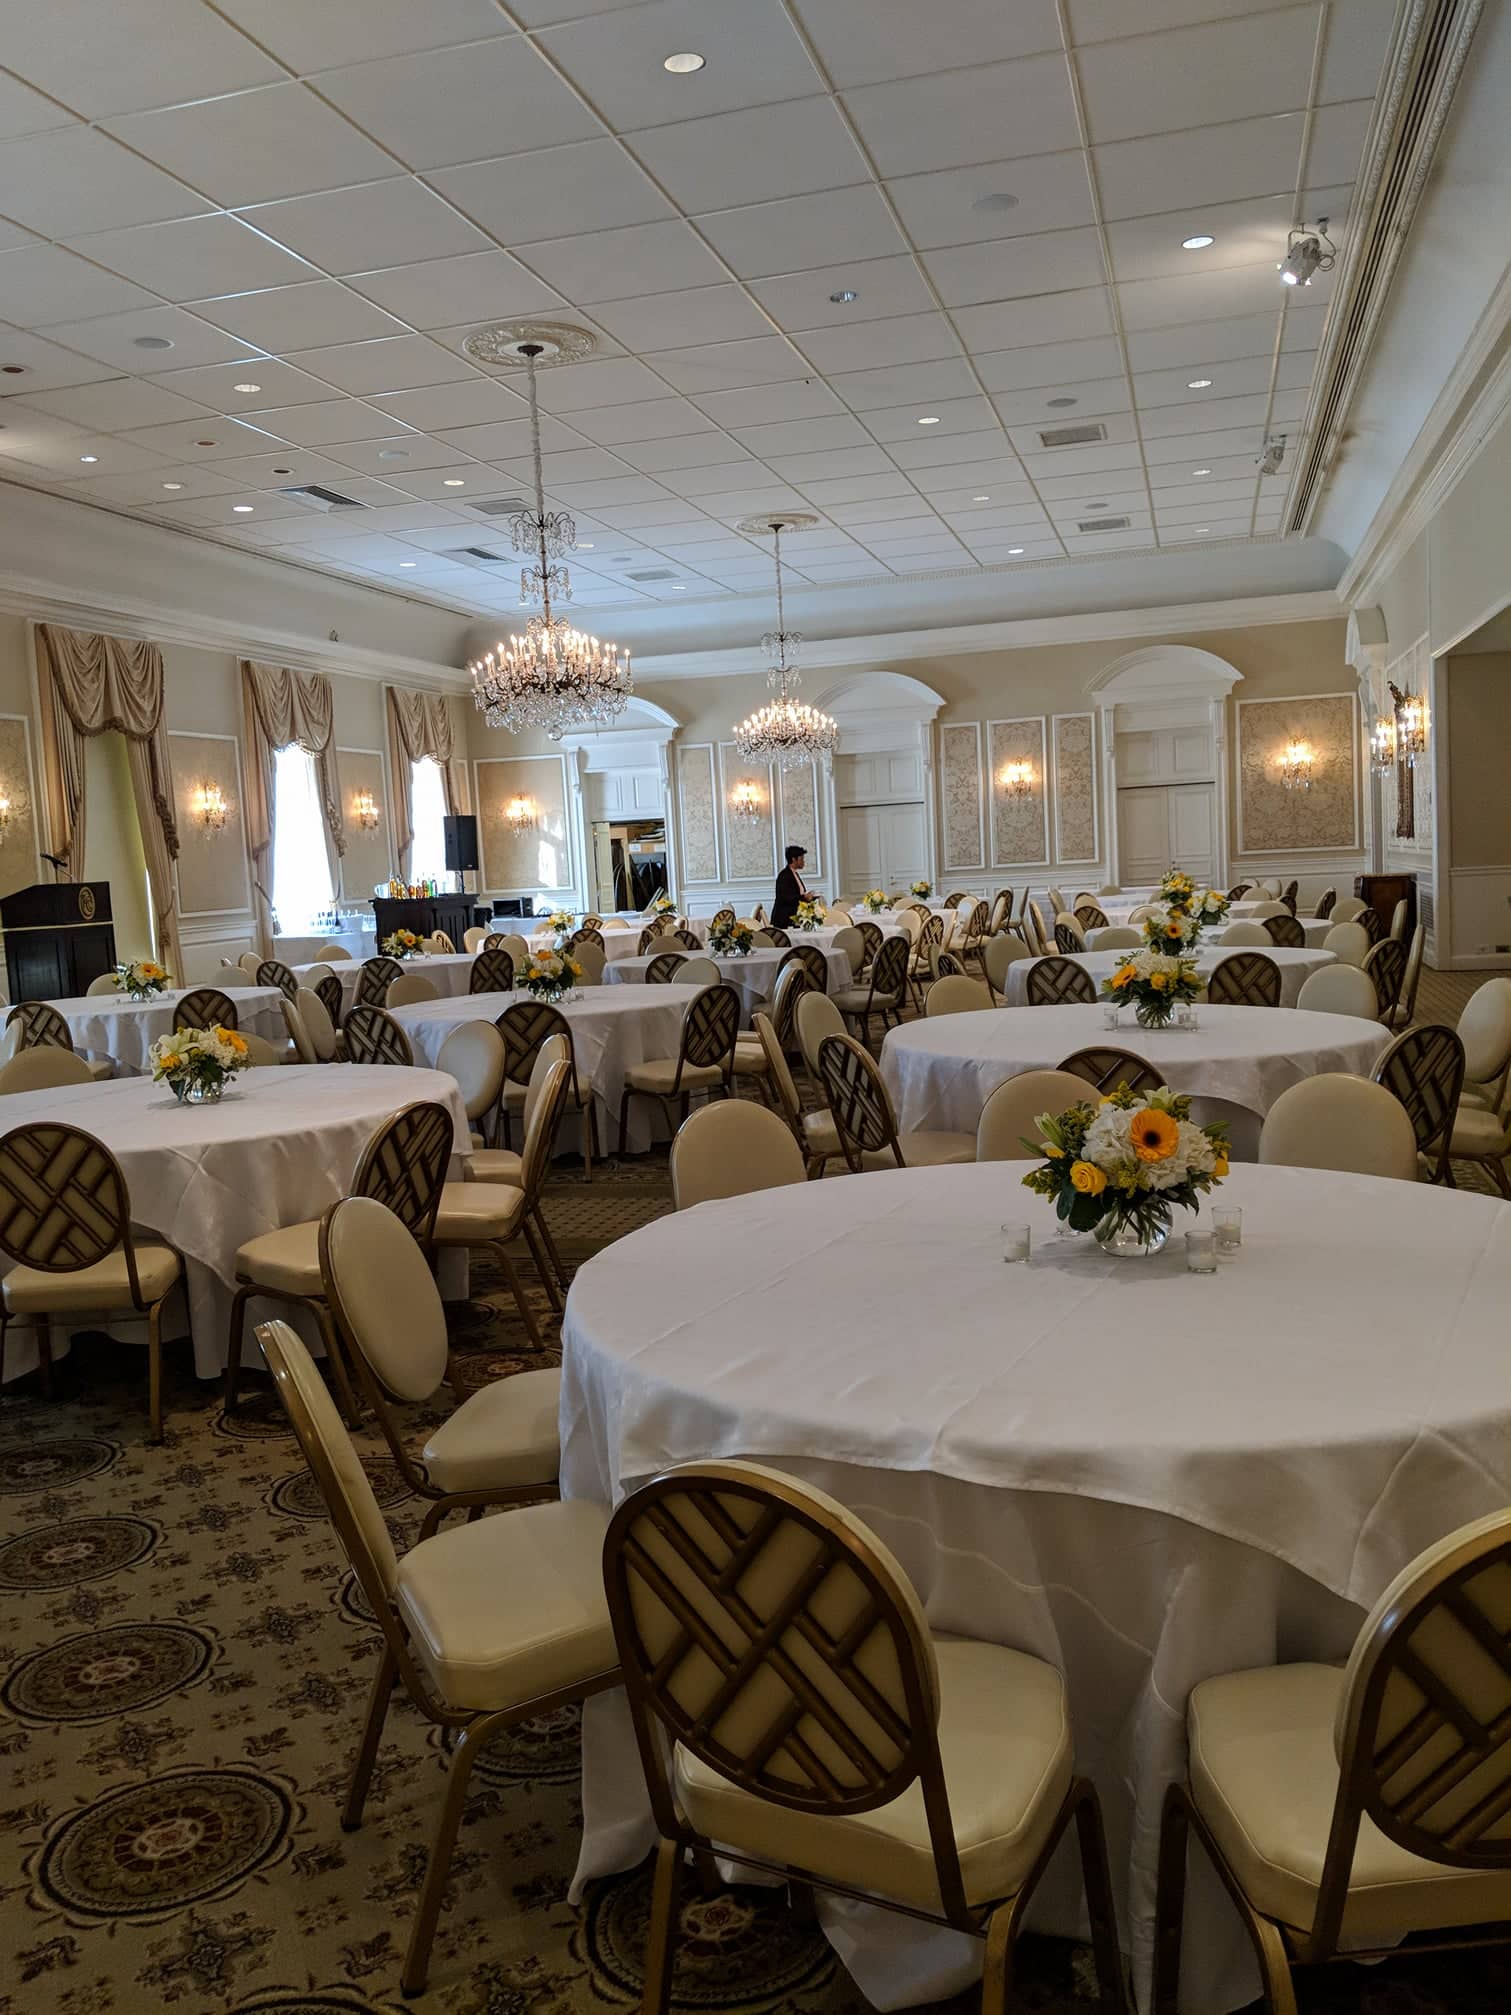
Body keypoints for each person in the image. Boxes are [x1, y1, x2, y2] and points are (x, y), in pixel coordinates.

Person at [772, 844, 809, 930]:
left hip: (793, 918)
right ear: (793, 859)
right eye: (801, 859)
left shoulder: (793, 873)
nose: (803, 861)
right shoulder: (784, 876)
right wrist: (804, 897)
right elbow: (786, 897)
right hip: (785, 920)